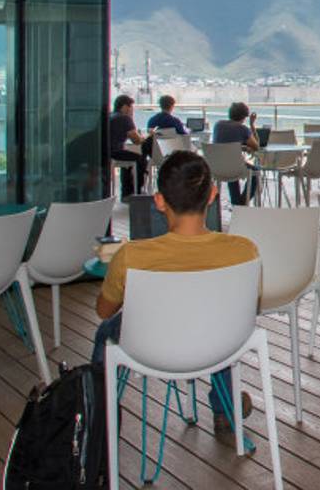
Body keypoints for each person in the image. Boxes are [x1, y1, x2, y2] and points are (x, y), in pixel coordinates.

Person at [92, 152, 258, 442]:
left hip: (151, 348)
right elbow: (248, 308)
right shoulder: (243, 251)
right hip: (217, 345)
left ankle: (97, 414)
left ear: (159, 201)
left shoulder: (131, 255)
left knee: (107, 330)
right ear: (213, 195)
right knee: (220, 318)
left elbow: (104, 310)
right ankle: (225, 407)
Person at [212, 101, 260, 205]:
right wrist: (252, 125)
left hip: (216, 167)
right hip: (233, 167)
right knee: (256, 171)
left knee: (231, 165)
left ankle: (236, 204)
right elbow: (256, 146)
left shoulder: (218, 125)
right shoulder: (242, 129)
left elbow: (225, 143)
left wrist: (240, 147)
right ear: (244, 116)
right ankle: (241, 203)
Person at [109, 95, 148, 196]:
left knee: (127, 160)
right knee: (141, 160)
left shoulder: (110, 115)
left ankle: (127, 191)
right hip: (115, 151)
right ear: (125, 107)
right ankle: (137, 190)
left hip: (106, 152)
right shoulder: (125, 118)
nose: (132, 110)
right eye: (131, 107)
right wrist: (146, 137)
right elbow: (137, 141)